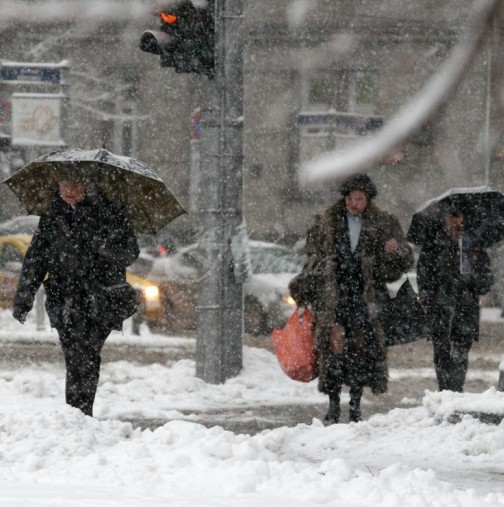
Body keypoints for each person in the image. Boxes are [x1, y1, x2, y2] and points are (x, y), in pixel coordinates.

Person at [12, 171, 139, 416]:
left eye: (76, 184)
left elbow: (130, 252)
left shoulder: (109, 213)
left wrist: (101, 245)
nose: (69, 190)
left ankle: (81, 411)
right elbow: (35, 261)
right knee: (74, 355)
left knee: (87, 353)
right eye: (64, 184)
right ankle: (77, 412)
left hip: (101, 299)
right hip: (64, 298)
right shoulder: (51, 218)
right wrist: (23, 300)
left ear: (88, 186)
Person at [289, 173, 413, 424]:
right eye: (349, 197)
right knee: (331, 348)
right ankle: (333, 403)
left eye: (359, 198)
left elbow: (400, 264)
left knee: (361, 350)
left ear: (368, 200)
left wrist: (394, 252)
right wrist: (314, 277)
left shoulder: (383, 223)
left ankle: (355, 404)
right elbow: (311, 257)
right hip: (334, 297)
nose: (353, 202)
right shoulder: (326, 222)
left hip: (364, 298)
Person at [416, 206, 494, 392]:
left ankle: (456, 390)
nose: (455, 222)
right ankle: (444, 391)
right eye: (451, 217)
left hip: (466, 304)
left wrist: (475, 281)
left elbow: (486, 274)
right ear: (444, 219)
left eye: (458, 217)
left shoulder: (472, 243)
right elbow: (423, 272)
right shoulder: (433, 243)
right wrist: (428, 295)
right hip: (440, 304)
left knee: (461, 350)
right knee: (441, 350)